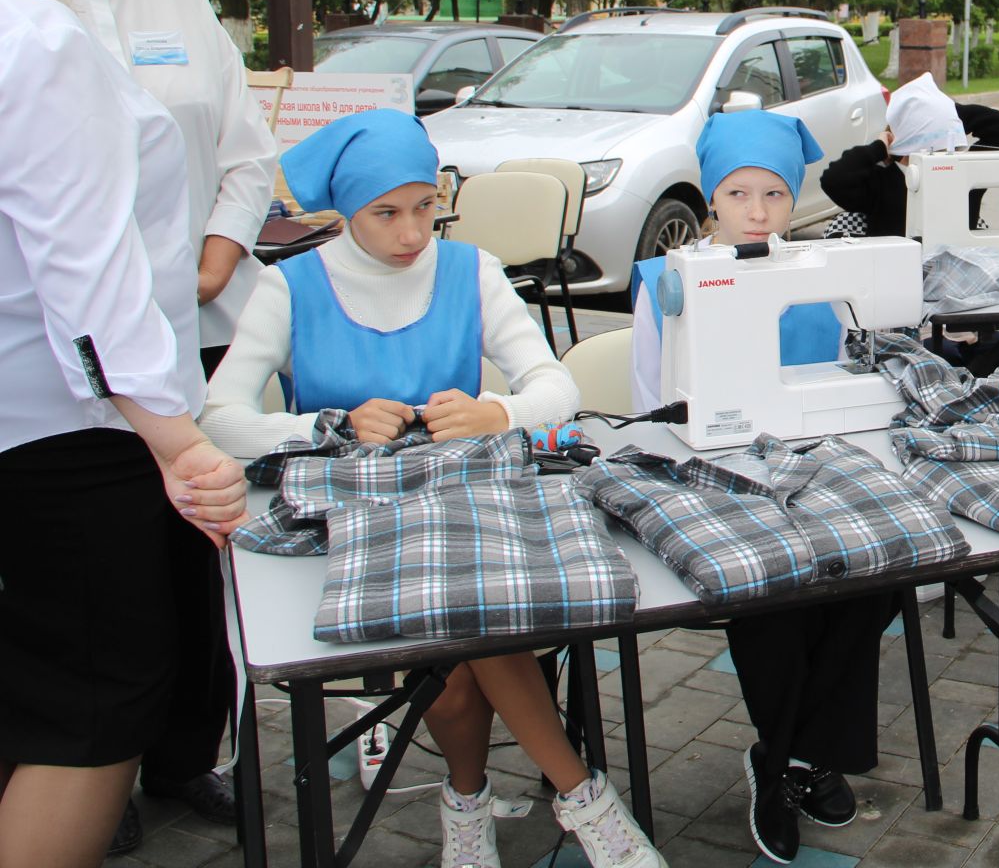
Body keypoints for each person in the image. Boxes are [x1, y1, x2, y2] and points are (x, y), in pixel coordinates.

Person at [200, 110, 660, 868]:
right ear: (346, 211)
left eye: (424, 207)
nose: (412, 232)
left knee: (452, 660)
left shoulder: (469, 270)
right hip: (359, 520)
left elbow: (555, 387)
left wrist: (495, 410)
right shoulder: (290, 288)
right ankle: (576, 799)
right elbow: (219, 419)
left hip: (463, 509)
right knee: (465, 644)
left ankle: (471, 811)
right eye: (386, 213)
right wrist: (330, 427)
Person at [5, 0, 279, 840]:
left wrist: (218, 252)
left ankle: (174, 754)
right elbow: (74, 242)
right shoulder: (33, 15)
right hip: (78, 391)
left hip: (177, 336)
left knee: (180, 584)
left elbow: (242, 153)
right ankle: (84, 776)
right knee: (95, 627)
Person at [631, 111, 896, 865]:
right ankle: (793, 762)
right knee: (771, 585)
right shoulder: (663, 284)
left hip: (818, 465)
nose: (756, 210)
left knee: (878, 571)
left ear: (793, 201)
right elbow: (649, 405)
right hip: (713, 477)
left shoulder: (823, 277)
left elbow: (853, 370)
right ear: (711, 200)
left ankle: (790, 756)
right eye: (739, 193)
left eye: (774, 195)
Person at [819, 71, 999, 239]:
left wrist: (944, 113)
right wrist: (880, 147)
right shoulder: (880, 183)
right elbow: (833, 179)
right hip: (897, 274)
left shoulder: (964, 171)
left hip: (954, 275)